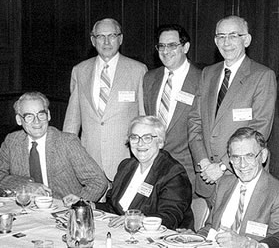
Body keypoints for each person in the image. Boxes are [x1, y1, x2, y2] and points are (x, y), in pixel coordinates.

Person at [188, 15, 277, 202]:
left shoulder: (262, 76)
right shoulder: (208, 73)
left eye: (233, 36)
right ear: (215, 41)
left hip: (241, 175)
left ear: (246, 39)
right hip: (206, 177)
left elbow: (259, 130)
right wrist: (204, 163)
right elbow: (194, 121)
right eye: (221, 36)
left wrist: (220, 167)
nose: (226, 42)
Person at [64, 116, 194, 230]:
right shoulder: (126, 166)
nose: (140, 143)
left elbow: (171, 218)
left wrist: (141, 219)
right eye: (134, 137)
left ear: (160, 142)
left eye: (147, 138)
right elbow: (114, 208)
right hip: (123, 234)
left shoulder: (173, 173)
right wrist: (88, 204)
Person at [63, 18, 147, 182]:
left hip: (126, 160)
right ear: (93, 40)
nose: (106, 41)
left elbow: (143, 118)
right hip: (89, 161)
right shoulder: (80, 71)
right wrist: (67, 156)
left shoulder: (138, 70)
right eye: (101, 36)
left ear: (120, 39)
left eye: (112, 36)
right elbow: (72, 121)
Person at [0, 92, 107, 201]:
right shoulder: (12, 141)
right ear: (19, 119)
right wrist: (25, 185)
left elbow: (98, 181)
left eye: (41, 114)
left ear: (49, 115)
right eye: (29, 116)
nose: (37, 121)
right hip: (26, 209)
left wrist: (79, 201)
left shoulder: (66, 142)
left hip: (63, 210)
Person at [195, 127, 279, 248]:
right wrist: (194, 239)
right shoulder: (223, 184)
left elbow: (276, 238)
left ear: (263, 155)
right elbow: (210, 227)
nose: (242, 164)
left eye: (249, 156)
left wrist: (247, 243)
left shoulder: (275, 192)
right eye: (236, 157)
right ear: (229, 159)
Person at [143, 24, 201, 189]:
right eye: (161, 46)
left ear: (186, 47)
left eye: (172, 45)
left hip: (186, 170)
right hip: (153, 168)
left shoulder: (202, 79)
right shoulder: (149, 78)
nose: (165, 51)